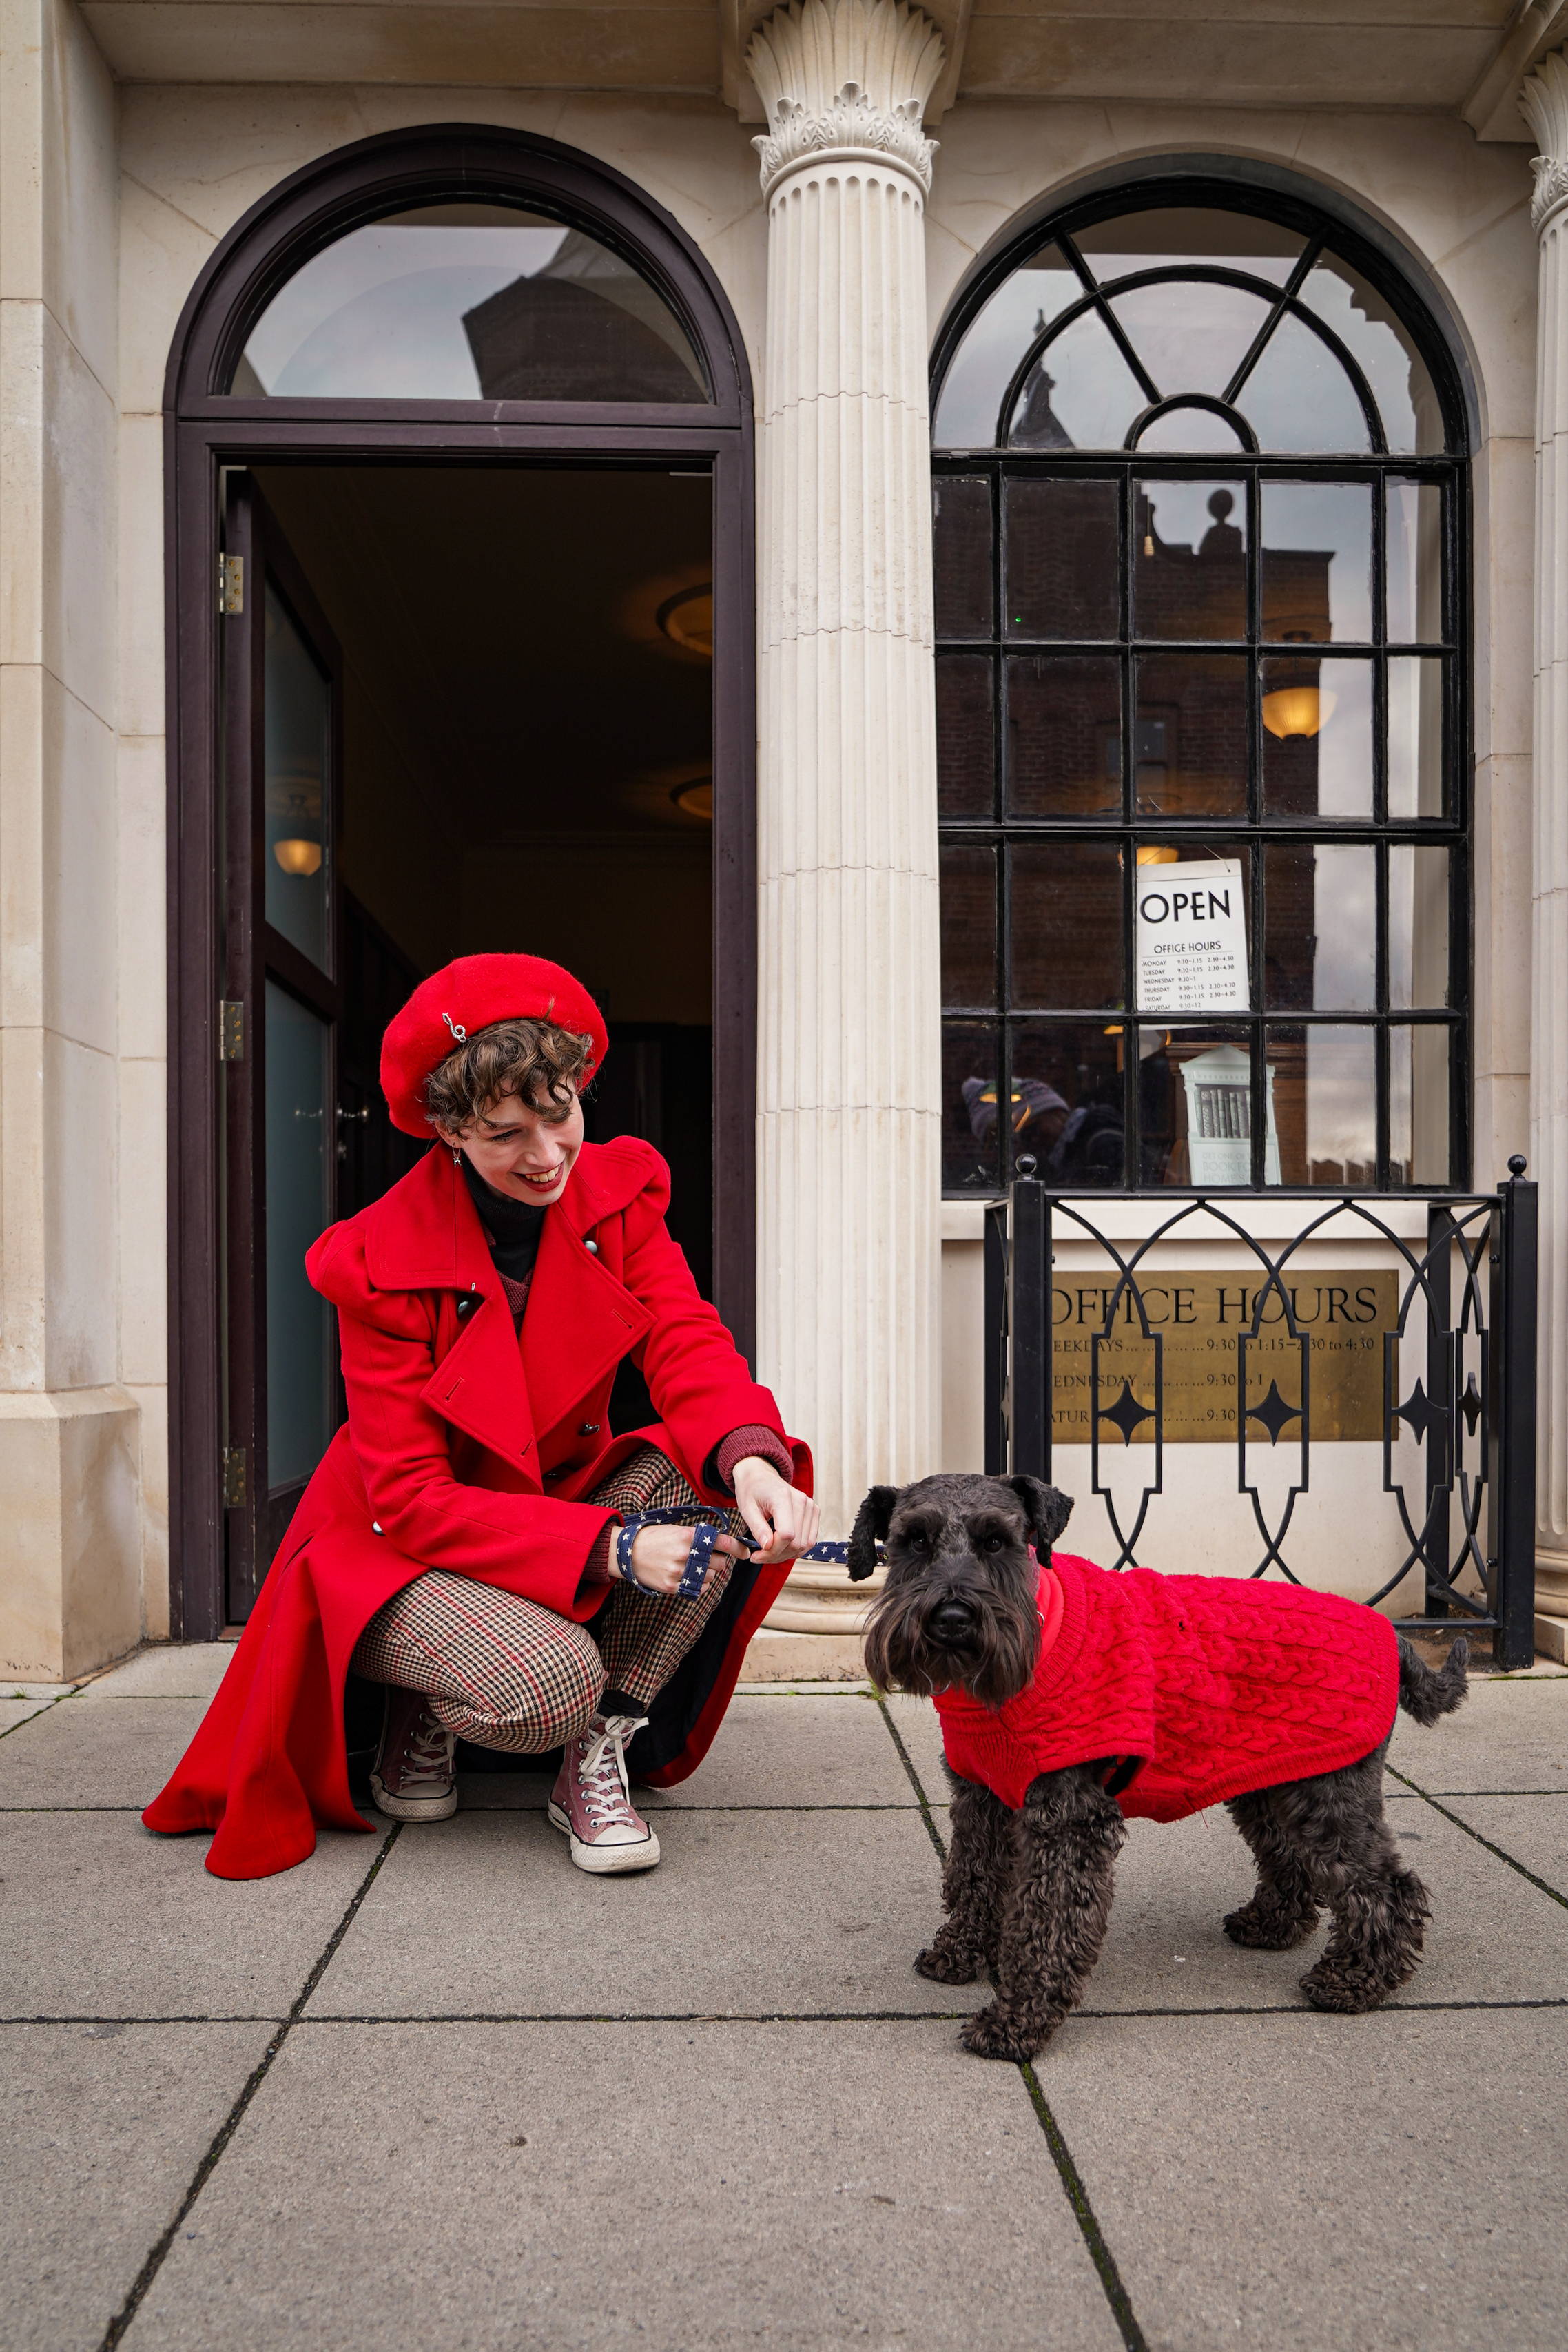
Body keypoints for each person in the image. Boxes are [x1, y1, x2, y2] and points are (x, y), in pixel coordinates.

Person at [145, 953, 816, 1881]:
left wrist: (750, 1461)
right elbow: (412, 1500)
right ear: (451, 1130)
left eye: (561, 1113)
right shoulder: (380, 1257)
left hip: (538, 1507)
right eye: (506, 1133)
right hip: (398, 1543)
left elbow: (684, 1338)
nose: (547, 1155)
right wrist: (614, 1547)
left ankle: (596, 1754)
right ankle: (421, 1703)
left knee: (704, 1485)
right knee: (550, 1681)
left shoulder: (618, 1197)